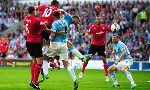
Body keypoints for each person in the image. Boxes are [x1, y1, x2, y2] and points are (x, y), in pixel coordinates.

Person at [44, 10, 79, 90]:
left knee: (45, 58)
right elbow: (63, 31)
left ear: (54, 17)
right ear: (60, 15)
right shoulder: (65, 22)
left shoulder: (55, 23)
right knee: (66, 64)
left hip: (56, 44)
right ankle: (75, 79)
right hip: (64, 45)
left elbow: (53, 34)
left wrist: (48, 31)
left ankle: (45, 74)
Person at [24, 6, 52, 90]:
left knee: (34, 61)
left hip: (28, 42)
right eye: (35, 11)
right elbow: (46, 29)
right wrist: (53, 31)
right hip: (35, 43)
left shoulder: (25, 18)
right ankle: (35, 82)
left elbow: (37, 26)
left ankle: (32, 80)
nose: (36, 12)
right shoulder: (36, 20)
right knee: (40, 62)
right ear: (33, 11)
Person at [79, 17, 112, 82]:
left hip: (101, 45)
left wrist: (114, 27)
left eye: (99, 19)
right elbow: (88, 33)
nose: (98, 20)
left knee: (104, 60)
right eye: (97, 19)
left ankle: (106, 76)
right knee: (87, 58)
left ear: (101, 20)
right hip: (93, 45)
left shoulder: (104, 27)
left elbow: (111, 30)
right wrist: (86, 34)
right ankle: (82, 72)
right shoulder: (92, 27)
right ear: (95, 21)